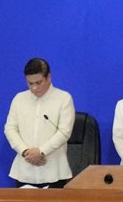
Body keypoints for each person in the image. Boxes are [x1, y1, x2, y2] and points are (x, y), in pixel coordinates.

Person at [4, 57, 75, 187]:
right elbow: (10, 129)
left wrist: (41, 152)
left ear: (49, 77)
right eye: (30, 83)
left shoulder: (63, 98)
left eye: (38, 82)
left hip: (54, 171)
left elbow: (64, 132)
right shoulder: (19, 99)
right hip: (24, 169)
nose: (34, 88)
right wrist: (25, 151)